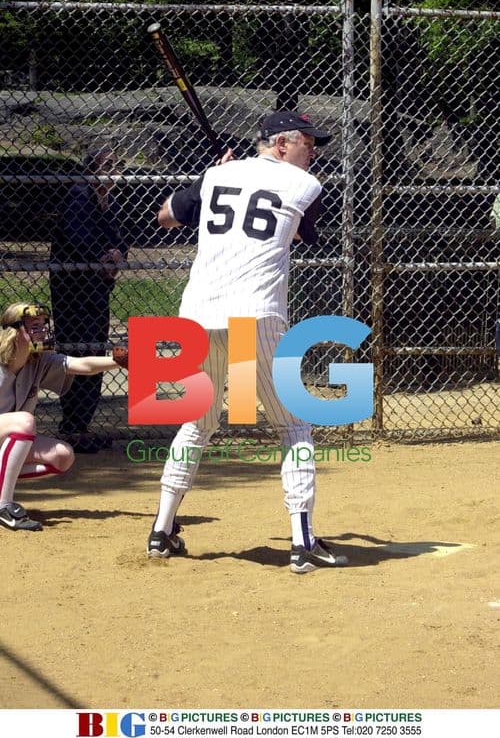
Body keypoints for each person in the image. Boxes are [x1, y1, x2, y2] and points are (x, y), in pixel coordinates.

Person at [150, 110, 349, 574]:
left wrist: (213, 183)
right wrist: (229, 182)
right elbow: (303, 234)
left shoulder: (216, 175)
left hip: (196, 316)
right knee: (294, 425)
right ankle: (302, 542)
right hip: (252, 316)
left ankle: (161, 530)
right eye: (306, 143)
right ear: (280, 145)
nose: (313, 151)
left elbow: (164, 216)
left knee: (198, 424)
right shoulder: (307, 186)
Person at [0, 301, 127, 531]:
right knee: (25, 421)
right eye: (33, 326)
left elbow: (82, 365)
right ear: (14, 331)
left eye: (42, 325)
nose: (42, 330)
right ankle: (3, 505)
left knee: (62, 455)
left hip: (5, 438)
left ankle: (3, 484)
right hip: (8, 428)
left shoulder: (38, 361)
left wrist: (118, 361)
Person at [49, 145, 127, 454]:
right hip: (74, 288)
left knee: (94, 346)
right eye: (108, 164)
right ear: (93, 169)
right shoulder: (81, 195)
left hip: (94, 287)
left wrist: (117, 252)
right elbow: (78, 236)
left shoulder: (106, 200)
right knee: (77, 350)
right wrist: (100, 257)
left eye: (116, 163)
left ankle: (80, 426)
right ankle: (72, 425)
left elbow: (122, 234)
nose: (115, 169)